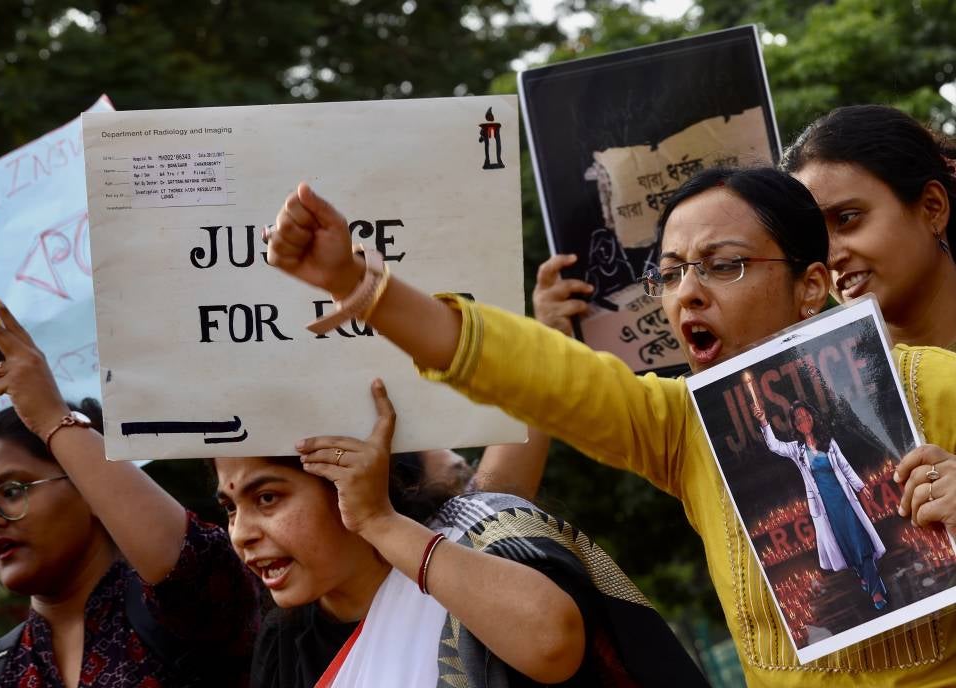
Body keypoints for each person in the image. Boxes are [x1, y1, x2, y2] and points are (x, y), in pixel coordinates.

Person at [263, 169, 956, 686]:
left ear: (811, 286)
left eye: (725, 265)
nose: (689, 291)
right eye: (673, 272)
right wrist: (360, 284)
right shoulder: (681, 426)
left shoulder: (931, 383)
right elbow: (541, 375)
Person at [213, 382, 707, 688]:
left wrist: (377, 522)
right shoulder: (284, 647)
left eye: (268, 498)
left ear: (348, 476)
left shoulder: (477, 537)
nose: (242, 533)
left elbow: (552, 643)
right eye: (231, 508)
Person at [0, 302, 259, 687]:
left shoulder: (181, 609)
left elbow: (193, 562)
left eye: (11, 491)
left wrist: (51, 418)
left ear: (89, 487)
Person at [782, 103, 956, 565]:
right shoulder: (834, 403)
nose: (831, 257)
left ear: (932, 208)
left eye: (847, 219)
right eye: (812, 244)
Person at [752, 400, 888, 610]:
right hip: (826, 508)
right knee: (845, 546)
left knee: (861, 543)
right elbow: (775, 446)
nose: (804, 421)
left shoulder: (829, 443)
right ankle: (862, 574)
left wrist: (861, 487)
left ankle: (876, 593)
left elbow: (844, 466)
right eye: (799, 419)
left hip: (845, 501)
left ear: (813, 417)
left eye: (806, 416)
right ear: (795, 425)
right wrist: (763, 422)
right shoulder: (797, 450)